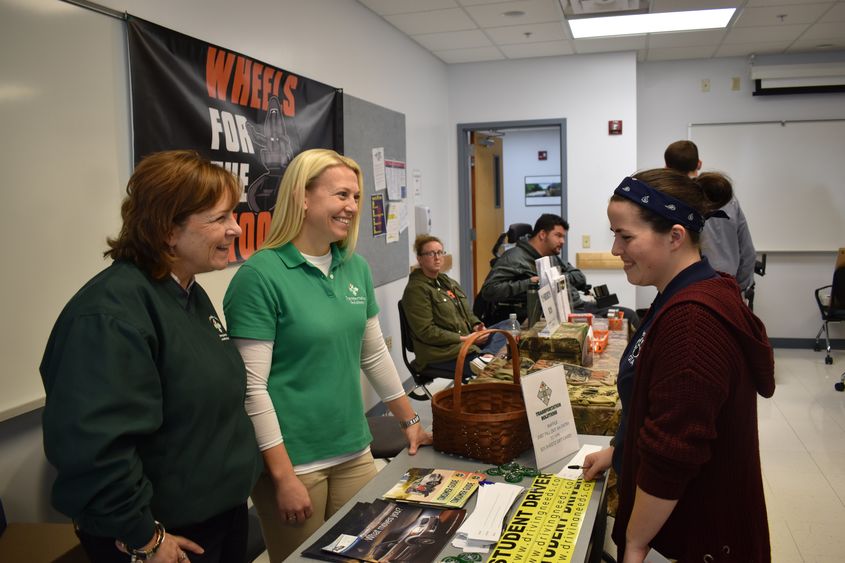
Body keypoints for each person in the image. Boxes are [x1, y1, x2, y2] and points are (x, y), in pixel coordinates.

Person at [40, 150, 263, 563]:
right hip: (161, 539)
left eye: (234, 214)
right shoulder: (108, 316)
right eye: (219, 218)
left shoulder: (186, 292)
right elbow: (95, 451)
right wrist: (145, 538)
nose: (236, 228)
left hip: (219, 519)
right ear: (167, 230)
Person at [223, 148, 433, 562]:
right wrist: (282, 476)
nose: (352, 207)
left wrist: (409, 420)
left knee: (359, 553)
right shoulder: (260, 276)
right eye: (341, 195)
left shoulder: (354, 267)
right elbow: (251, 389)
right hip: (295, 461)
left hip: (354, 447)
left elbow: (372, 355)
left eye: (355, 197)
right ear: (302, 197)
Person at [581, 169, 775, 562]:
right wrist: (618, 450)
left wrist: (634, 543)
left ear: (674, 236)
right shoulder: (684, 292)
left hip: (695, 536)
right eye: (614, 235)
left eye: (626, 236)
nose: (616, 250)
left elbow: (674, 450)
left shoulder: (692, 321)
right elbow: (657, 401)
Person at [479, 213, 638, 326]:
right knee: (603, 324)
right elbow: (489, 291)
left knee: (629, 315)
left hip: (577, 304)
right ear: (542, 234)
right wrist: (529, 283)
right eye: (558, 235)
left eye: (564, 237)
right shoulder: (514, 258)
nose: (562, 241)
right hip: (556, 314)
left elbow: (579, 277)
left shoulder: (552, 256)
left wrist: (556, 278)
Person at [402, 234, 508, 380]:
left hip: (468, 342)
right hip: (443, 353)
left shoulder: (447, 282)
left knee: (509, 326)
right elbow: (426, 332)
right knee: (500, 371)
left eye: (440, 252)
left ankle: (486, 356)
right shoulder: (416, 290)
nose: (437, 257)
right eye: (430, 253)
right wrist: (464, 338)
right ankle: (486, 358)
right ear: (419, 258)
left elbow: (467, 313)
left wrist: (477, 326)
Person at [665, 140, 757, 292]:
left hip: (687, 289)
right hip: (728, 286)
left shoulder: (670, 201)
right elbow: (748, 252)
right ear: (699, 164)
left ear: (667, 168)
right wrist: (738, 289)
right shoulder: (728, 199)